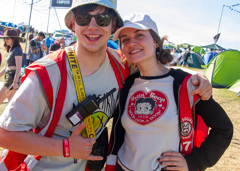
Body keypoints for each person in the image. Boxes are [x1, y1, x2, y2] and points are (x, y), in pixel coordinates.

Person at [0, 1, 212, 170]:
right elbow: (4, 135)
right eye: (84, 18)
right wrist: (65, 147)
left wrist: (199, 79)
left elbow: (156, 68)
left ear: (113, 26)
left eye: (101, 19)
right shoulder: (47, 74)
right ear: (73, 24)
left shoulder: (121, 65)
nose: (92, 26)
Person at [106, 13, 233, 171]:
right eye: (125, 39)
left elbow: (223, 128)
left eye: (139, 35)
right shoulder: (126, 84)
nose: (131, 43)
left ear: (155, 41)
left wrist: (194, 162)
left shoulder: (185, 84)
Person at [0, 29, 23, 104]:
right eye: (5, 38)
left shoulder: (17, 50)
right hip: (9, 78)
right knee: (11, 105)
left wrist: (15, 82)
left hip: (12, 79)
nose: (5, 40)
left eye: (8, 38)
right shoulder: (11, 50)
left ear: (13, 39)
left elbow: (19, 67)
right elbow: (6, 67)